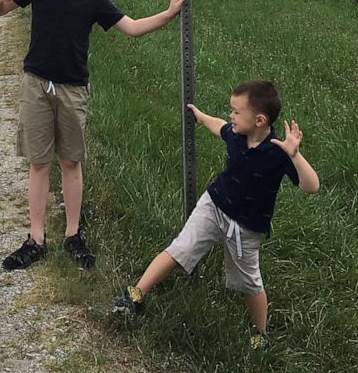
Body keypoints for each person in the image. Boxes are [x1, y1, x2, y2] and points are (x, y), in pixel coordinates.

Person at [0, 0, 187, 271]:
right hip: (36, 85)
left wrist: (169, 14)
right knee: (39, 162)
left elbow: (133, 29)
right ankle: (35, 239)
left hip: (73, 89)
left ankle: (73, 234)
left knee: (70, 162)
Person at [112, 80, 320, 352]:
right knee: (180, 248)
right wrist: (199, 117)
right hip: (214, 205)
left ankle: (260, 334)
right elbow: (218, 126)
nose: (231, 116)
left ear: (259, 120)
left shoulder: (278, 152)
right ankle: (136, 294)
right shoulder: (235, 134)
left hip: (246, 226)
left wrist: (295, 155)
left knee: (250, 282)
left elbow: (311, 186)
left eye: (236, 112)